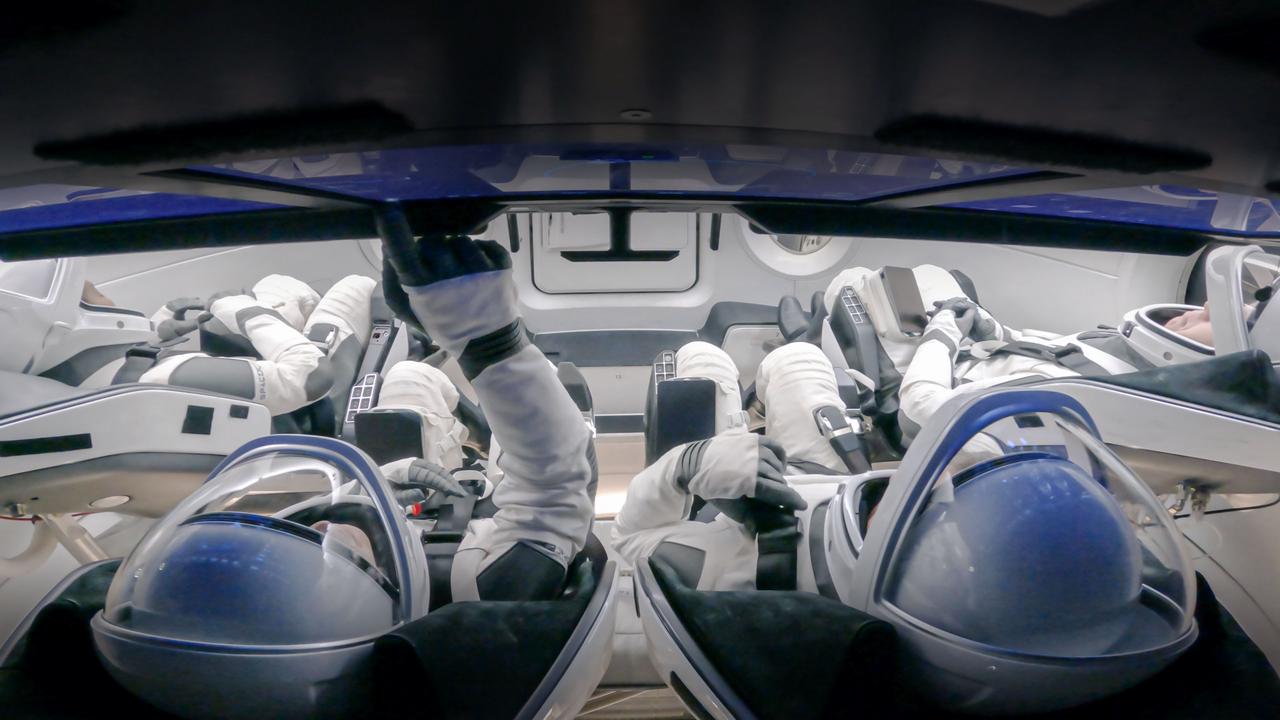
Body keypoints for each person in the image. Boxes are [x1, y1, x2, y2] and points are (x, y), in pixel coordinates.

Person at [0, 255, 375, 417]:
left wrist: (161, 323)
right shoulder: (165, 379)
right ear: (67, 321)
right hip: (320, 396)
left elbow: (122, 359)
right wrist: (243, 310)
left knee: (275, 286)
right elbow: (309, 378)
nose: (106, 299)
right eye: (94, 292)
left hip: (265, 373)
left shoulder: (68, 384)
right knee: (354, 285)